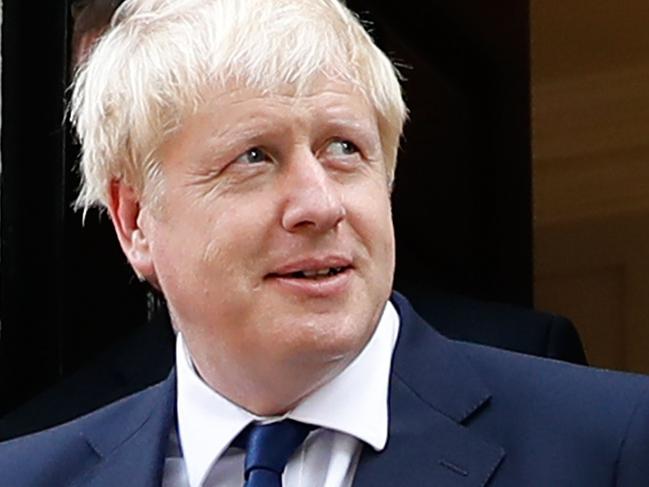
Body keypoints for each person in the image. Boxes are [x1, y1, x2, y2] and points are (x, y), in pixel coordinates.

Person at [1, 1, 648, 486]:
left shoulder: (610, 442)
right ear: (135, 219)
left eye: (344, 148)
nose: (320, 203)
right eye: (254, 157)